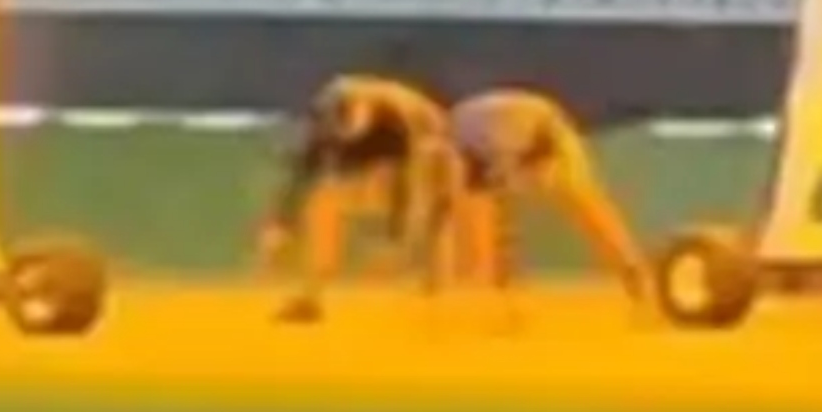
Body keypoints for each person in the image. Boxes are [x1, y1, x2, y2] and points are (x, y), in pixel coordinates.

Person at [259, 74, 459, 324]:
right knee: (324, 197)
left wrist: (397, 234)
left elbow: (411, 182)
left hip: (418, 137)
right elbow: (303, 174)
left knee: (432, 205)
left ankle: (432, 282)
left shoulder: (403, 119)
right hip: (379, 136)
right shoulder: (326, 116)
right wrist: (281, 223)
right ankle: (312, 292)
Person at [439, 87, 652, 304]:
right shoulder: (465, 138)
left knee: (585, 203)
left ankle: (632, 269)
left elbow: (498, 199)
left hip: (546, 134)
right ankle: (486, 284)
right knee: (478, 215)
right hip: (521, 134)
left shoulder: (470, 135)